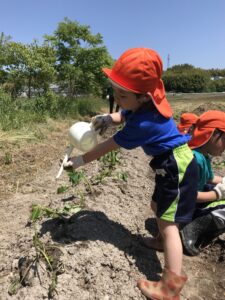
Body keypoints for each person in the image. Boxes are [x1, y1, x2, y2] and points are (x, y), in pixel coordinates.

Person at [63, 47, 198, 299]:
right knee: (157, 205)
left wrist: (79, 161)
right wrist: (108, 118)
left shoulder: (144, 124)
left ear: (145, 97)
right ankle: (160, 241)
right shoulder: (143, 105)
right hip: (167, 164)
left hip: (176, 166)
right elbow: (123, 113)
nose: (117, 97)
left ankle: (170, 286)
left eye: (122, 94)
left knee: (170, 224)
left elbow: (107, 146)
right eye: (115, 91)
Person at [180, 110, 225, 256]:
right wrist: (218, 194)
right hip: (181, 207)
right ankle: (190, 229)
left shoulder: (202, 156)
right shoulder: (195, 159)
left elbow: (209, 178)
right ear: (213, 134)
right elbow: (189, 195)